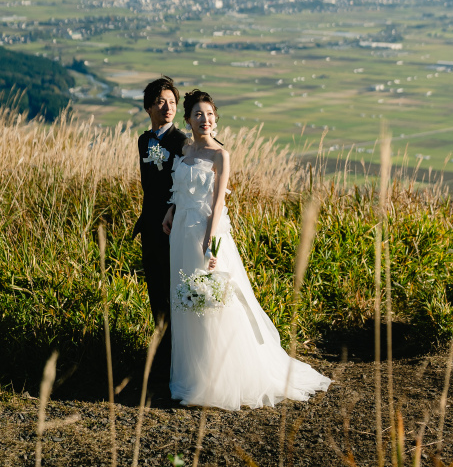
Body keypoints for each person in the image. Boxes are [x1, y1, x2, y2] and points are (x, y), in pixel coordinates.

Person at [163, 89, 331, 410]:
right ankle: (192, 373)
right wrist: (171, 211)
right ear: (188, 119)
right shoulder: (184, 148)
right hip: (180, 233)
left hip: (204, 232)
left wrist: (210, 244)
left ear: (215, 118)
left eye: (210, 114)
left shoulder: (220, 156)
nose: (205, 120)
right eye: (199, 114)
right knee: (185, 300)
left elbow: (218, 201)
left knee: (210, 302)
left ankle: (217, 379)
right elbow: (180, 188)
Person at [132, 77, 188, 391]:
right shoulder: (143, 141)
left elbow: (186, 186)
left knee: (171, 292)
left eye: (172, 102)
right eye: (161, 102)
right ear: (149, 106)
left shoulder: (180, 141)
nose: (168, 108)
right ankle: (162, 356)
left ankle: (172, 364)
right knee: (155, 293)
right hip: (149, 228)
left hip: (172, 227)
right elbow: (147, 185)